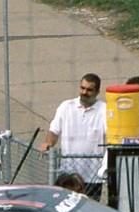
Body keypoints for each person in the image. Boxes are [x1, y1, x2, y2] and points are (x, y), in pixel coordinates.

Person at [42, 73, 106, 201]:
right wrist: (48, 143)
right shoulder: (66, 106)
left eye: (89, 90)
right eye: (82, 88)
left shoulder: (104, 110)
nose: (84, 92)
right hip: (68, 174)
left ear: (97, 91)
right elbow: (54, 131)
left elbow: (110, 137)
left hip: (92, 176)